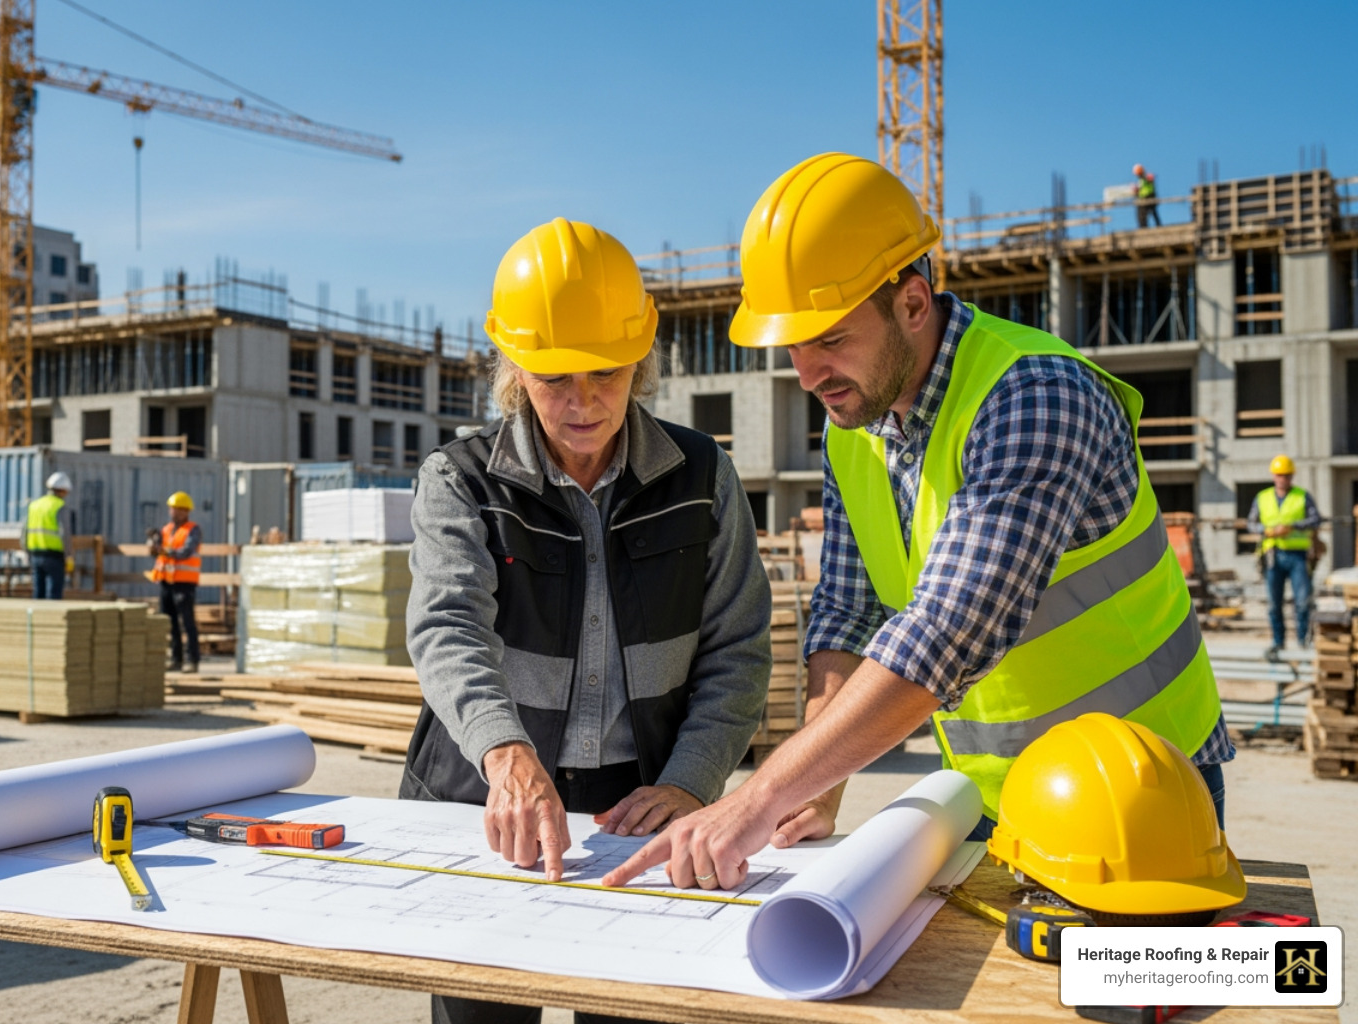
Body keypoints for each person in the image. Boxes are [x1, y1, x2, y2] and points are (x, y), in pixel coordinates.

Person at [603, 153, 1231, 895]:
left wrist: (758, 794)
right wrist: (816, 775)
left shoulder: (1034, 395)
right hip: (993, 797)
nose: (808, 375)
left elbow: (946, 631)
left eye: (831, 339)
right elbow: (848, 609)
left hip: (1138, 787)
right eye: (793, 348)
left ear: (911, 302)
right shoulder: (854, 428)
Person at [401, 217, 772, 1024]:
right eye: (554, 378)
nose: (582, 403)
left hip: (638, 803)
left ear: (640, 358)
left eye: (604, 373)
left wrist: (690, 781)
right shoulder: (462, 480)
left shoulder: (702, 476)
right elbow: (447, 629)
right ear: (515, 369)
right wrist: (505, 753)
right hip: (484, 797)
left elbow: (737, 653)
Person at [1248, 454, 1320, 657]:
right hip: (1273, 556)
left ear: (1292, 476)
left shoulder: (1302, 496)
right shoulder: (1262, 497)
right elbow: (1251, 523)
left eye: (1287, 475)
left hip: (1298, 556)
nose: (1283, 479)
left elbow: (1315, 519)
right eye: (1280, 475)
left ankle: (1303, 640)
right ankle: (1278, 642)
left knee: (1303, 601)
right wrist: (1266, 530)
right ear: (1274, 476)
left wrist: (1292, 527)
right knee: (1273, 603)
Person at [149, 491, 201, 673]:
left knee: (187, 622)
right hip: (167, 581)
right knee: (170, 622)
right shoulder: (166, 530)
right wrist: (154, 547)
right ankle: (175, 658)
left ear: (186, 511)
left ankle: (192, 660)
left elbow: (186, 552)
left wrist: (164, 551)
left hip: (184, 583)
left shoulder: (192, 530)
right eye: (173, 509)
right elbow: (159, 551)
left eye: (179, 509)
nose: (175, 513)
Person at [22, 472, 71, 600]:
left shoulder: (34, 505)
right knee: (54, 595)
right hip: (54, 557)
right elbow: (65, 534)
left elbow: (24, 532)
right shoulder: (59, 506)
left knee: (38, 593)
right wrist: (69, 556)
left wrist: (27, 553)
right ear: (62, 490)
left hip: (35, 555)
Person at [1134, 163, 1161, 228]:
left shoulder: (1145, 177)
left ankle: (1158, 225)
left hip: (1149, 196)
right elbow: (1140, 190)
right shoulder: (1141, 180)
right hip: (1144, 197)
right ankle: (1144, 226)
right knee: (1145, 214)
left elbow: (1151, 178)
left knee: (1152, 212)